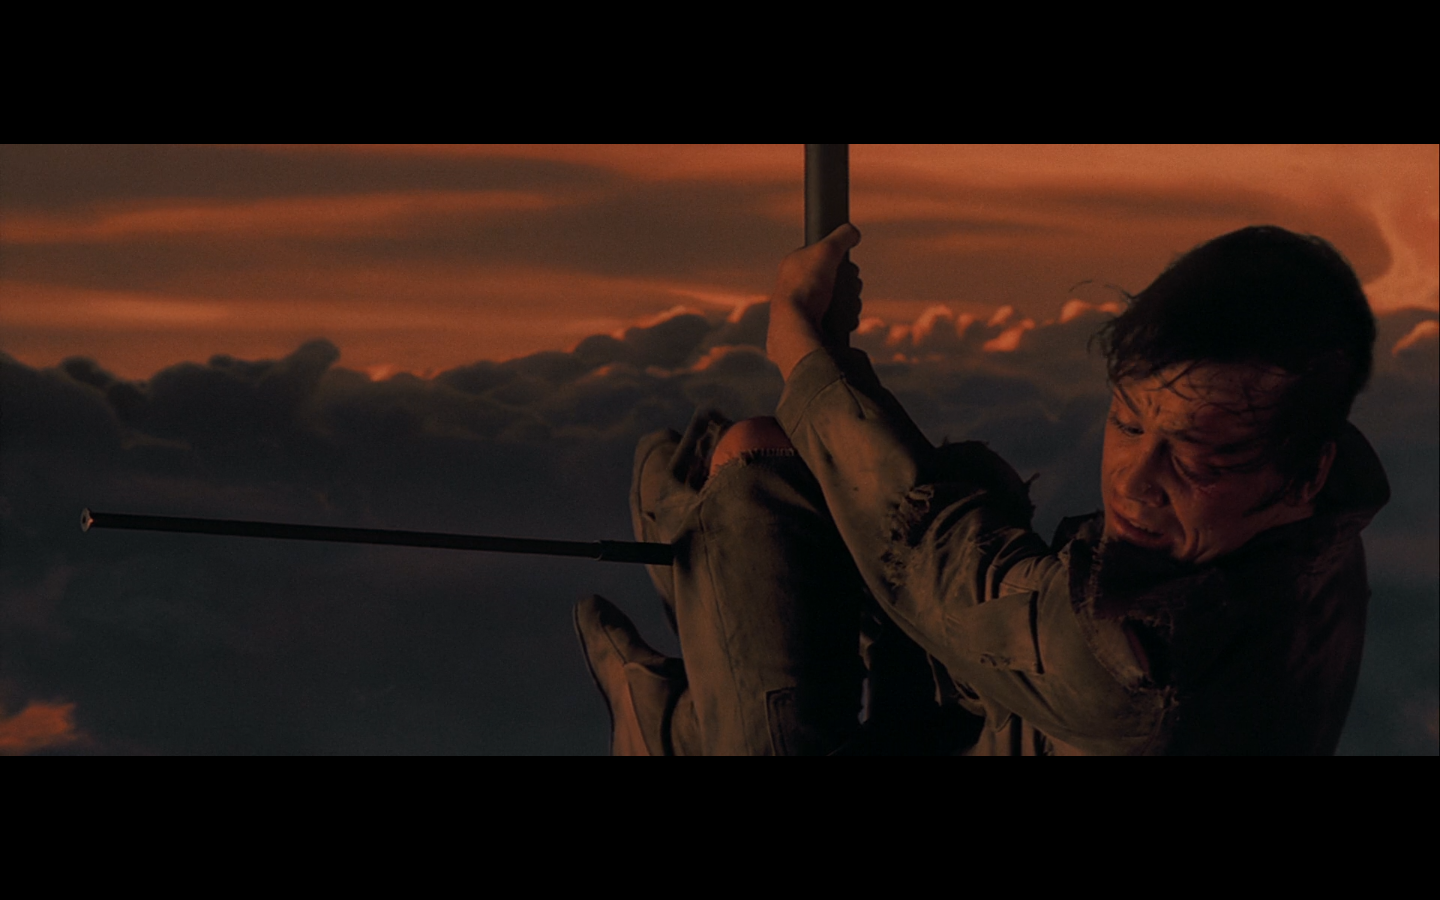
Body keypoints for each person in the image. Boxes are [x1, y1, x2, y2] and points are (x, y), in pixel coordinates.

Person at [574, 223, 1389, 755]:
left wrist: (803, 350)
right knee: (777, 460)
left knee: (745, 487)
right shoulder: (1316, 522)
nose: (1136, 480)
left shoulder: (1146, 670)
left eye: (1199, 458)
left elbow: (941, 569)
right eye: (1129, 421)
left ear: (1305, 468)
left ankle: (668, 726)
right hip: (986, 726)